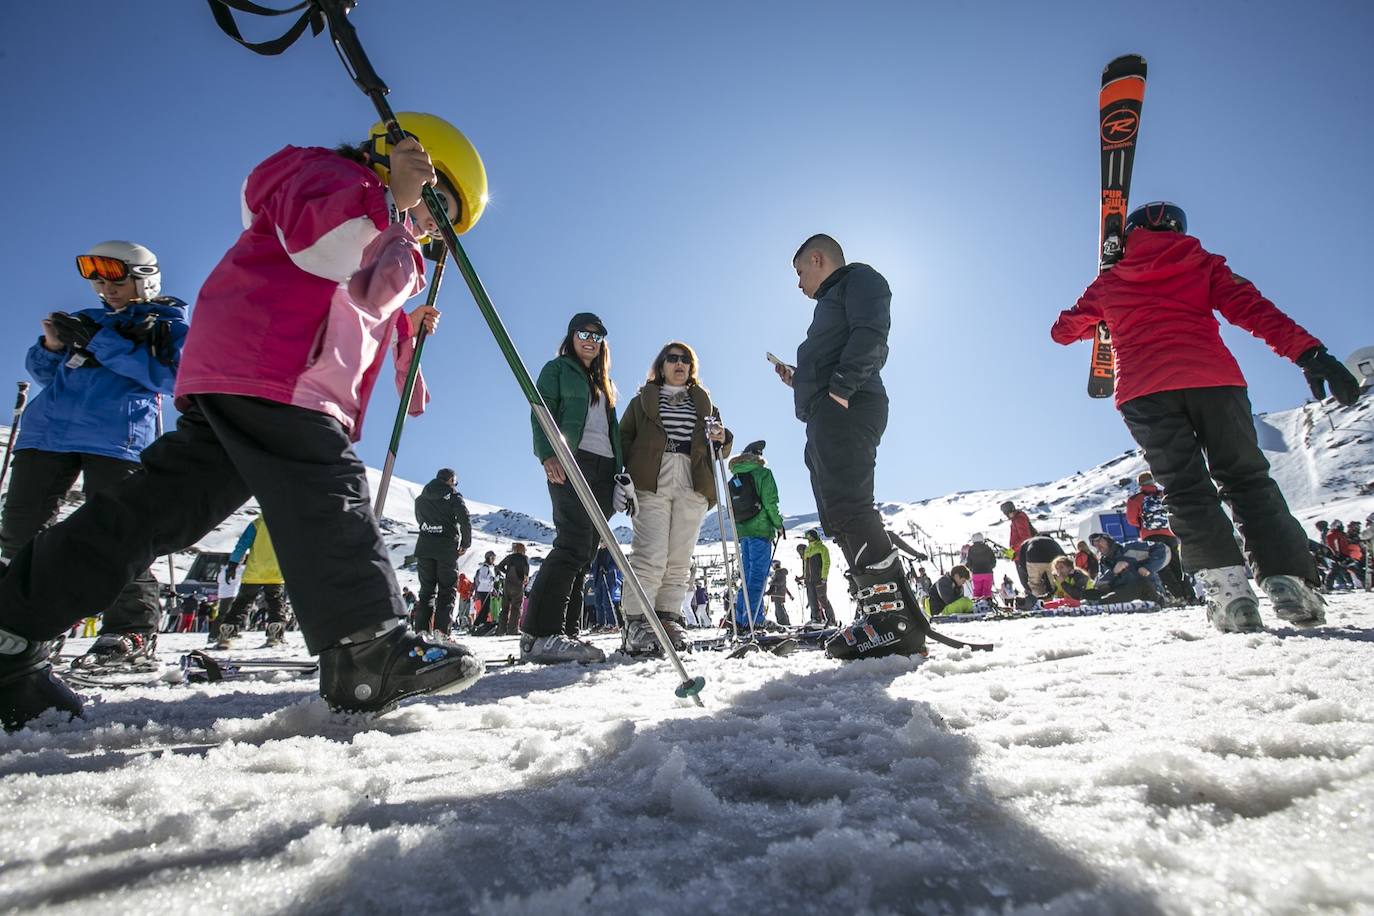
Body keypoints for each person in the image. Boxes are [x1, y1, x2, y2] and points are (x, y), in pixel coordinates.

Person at [0, 113, 490, 730]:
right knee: (325, 486)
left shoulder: (389, 228)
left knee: (156, 510)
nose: (428, 222)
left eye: (440, 220)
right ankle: (367, 648)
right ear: (406, 160)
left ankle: (12, 629)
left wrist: (404, 338)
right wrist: (392, 197)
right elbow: (318, 247)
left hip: (264, 377)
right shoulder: (331, 177)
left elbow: (359, 309)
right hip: (274, 365)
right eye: (434, 201)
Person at [1051, 201, 1362, 633]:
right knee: (1247, 480)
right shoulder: (1203, 265)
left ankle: (1229, 593)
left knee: (1185, 489)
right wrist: (1311, 354)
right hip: (1214, 381)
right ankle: (1288, 580)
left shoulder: (1110, 282)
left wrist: (1103, 307)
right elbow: (1257, 311)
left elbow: (1062, 332)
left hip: (1145, 392)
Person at [0, 241, 188, 673]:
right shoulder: (88, 321)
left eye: (116, 279)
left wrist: (104, 345)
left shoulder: (167, 325)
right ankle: (20, 628)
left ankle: (130, 628)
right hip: (47, 434)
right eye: (99, 280)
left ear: (143, 278)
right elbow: (50, 376)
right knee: (21, 534)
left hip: (117, 438)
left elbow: (171, 378)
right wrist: (50, 346)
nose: (106, 288)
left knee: (119, 534)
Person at [773, 235, 922, 660]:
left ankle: (893, 622)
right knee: (838, 513)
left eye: (801, 271)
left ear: (818, 259)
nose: (799, 283)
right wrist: (801, 378)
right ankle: (880, 613)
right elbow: (836, 350)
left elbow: (872, 332)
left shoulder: (860, 279)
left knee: (852, 507)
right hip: (828, 410)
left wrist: (840, 389)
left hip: (848, 405)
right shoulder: (832, 302)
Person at [617, 341, 730, 655]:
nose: (679, 364)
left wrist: (723, 437)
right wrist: (621, 476)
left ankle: (668, 619)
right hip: (651, 477)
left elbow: (720, 444)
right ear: (661, 365)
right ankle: (637, 623)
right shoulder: (643, 400)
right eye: (672, 358)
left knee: (679, 558)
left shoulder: (704, 403)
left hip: (693, 479)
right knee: (650, 553)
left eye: (686, 360)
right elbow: (623, 437)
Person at [521, 313, 620, 664]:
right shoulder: (558, 369)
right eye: (583, 333)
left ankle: (566, 632)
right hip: (571, 459)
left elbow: (612, 433)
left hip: (604, 468)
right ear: (571, 336)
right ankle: (539, 633)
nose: (590, 340)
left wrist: (620, 476)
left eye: (597, 335)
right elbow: (540, 411)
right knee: (572, 544)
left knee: (586, 553)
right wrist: (548, 453)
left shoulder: (602, 382)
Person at [725, 439, 781, 630]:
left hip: (743, 533)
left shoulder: (733, 480)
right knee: (758, 576)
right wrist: (778, 524)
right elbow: (770, 503)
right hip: (760, 531)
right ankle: (755, 620)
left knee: (747, 578)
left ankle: (741, 620)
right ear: (758, 456)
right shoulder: (763, 474)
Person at [217, 513, 289, 648]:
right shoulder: (287, 524)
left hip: (253, 572)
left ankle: (227, 633)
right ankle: (275, 634)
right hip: (276, 572)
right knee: (276, 603)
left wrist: (233, 564)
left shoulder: (257, 523)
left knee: (242, 603)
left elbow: (242, 545)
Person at [413, 468, 471, 635]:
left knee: (426, 592)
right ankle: (441, 634)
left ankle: (421, 634)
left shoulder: (421, 498)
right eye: (455, 482)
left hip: (424, 547)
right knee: (447, 591)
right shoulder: (453, 496)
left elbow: (419, 519)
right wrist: (465, 543)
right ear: (450, 480)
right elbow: (464, 519)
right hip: (445, 548)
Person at [1125, 471, 1191, 603]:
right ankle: (1190, 595)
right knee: (1176, 565)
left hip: (1151, 536)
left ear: (1139, 484)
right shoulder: (1163, 494)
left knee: (1161, 566)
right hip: (1170, 534)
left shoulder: (1136, 499)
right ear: (1153, 481)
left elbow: (1131, 520)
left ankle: (1177, 596)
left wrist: (1142, 523)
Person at [1088, 532, 1169, 604]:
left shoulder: (1129, 548)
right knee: (1088, 593)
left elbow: (1161, 548)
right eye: (1095, 545)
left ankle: (1101, 603)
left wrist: (1148, 568)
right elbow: (1099, 583)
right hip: (1123, 592)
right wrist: (1114, 572)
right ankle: (1092, 602)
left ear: (1108, 540)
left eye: (1100, 541)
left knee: (1138, 584)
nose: (1098, 546)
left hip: (1148, 590)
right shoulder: (1104, 562)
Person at [1014, 535, 1069, 608]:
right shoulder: (1052, 542)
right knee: (1056, 583)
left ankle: (1039, 604)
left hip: (1033, 557)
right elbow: (1064, 558)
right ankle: (1060, 602)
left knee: (1036, 584)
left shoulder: (1026, 543)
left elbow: (1022, 563)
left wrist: (1027, 573)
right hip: (1054, 558)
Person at [802, 529, 838, 626]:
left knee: (822, 599)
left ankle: (831, 619)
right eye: (807, 538)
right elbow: (806, 565)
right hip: (809, 580)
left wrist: (824, 577)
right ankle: (816, 619)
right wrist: (804, 577)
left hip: (819, 579)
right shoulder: (807, 549)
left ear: (815, 537)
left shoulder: (822, 548)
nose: (809, 540)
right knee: (812, 600)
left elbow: (826, 563)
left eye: (810, 537)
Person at [495, 542, 530, 636]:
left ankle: (501, 630)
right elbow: (526, 570)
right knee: (516, 607)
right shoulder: (524, 558)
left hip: (507, 584)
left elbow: (499, 566)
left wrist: (506, 573)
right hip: (518, 584)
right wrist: (525, 578)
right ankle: (513, 630)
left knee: (505, 607)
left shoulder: (509, 557)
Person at [590, 546, 622, 631]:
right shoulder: (598, 552)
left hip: (608, 579)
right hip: (598, 579)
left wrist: (607, 569)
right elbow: (594, 565)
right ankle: (600, 623)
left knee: (607, 602)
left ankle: (612, 623)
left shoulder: (611, 551)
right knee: (598, 602)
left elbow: (616, 564)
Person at [469, 551, 499, 633]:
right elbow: (482, 579)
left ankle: (481, 623)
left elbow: (490, 579)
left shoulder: (489, 568)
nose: (494, 560)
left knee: (486, 608)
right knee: (484, 608)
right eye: (493, 558)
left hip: (487, 589)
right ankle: (478, 623)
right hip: (483, 590)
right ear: (489, 558)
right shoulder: (484, 568)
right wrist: (491, 579)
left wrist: (495, 580)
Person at [964, 533, 998, 601]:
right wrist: (990, 567)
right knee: (987, 591)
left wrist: (971, 568)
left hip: (976, 573)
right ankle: (988, 604)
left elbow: (969, 562)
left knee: (977, 591)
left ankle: (977, 604)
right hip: (988, 573)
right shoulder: (988, 548)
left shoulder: (971, 549)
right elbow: (993, 561)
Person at [767, 560, 794, 626]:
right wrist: (768, 592)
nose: (771, 566)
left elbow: (781, 583)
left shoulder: (779, 572)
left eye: (772, 565)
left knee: (779, 611)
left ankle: (784, 624)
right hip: (777, 595)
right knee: (778, 610)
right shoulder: (777, 573)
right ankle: (784, 623)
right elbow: (783, 586)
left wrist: (772, 582)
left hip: (778, 595)